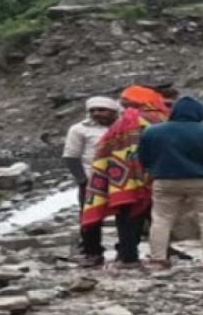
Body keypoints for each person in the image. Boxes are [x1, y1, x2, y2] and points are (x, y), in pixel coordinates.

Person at [140, 96, 203, 271]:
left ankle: (157, 259)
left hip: (165, 180)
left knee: (161, 219)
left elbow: (144, 158)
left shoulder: (152, 132)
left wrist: (156, 170)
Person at [82, 86, 170, 270]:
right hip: (160, 176)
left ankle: (128, 257)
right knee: (159, 218)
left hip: (124, 180)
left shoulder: (126, 121)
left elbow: (106, 148)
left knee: (127, 219)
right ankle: (162, 256)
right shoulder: (164, 119)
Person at [64, 97, 122, 268]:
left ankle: (125, 252)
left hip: (123, 180)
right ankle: (92, 252)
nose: (97, 113)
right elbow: (71, 156)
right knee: (90, 218)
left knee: (127, 217)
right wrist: (82, 180)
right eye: (93, 110)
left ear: (114, 111)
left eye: (102, 110)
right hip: (92, 180)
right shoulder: (79, 129)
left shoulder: (125, 126)